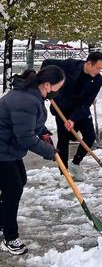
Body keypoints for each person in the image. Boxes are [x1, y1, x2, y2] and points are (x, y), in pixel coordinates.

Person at [0, 66, 65, 255]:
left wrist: (43, 131)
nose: (57, 92)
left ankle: (2, 222)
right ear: (47, 85)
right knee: (13, 188)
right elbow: (25, 137)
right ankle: (10, 238)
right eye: (58, 87)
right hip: (3, 149)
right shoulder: (27, 100)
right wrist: (50, 152)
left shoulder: (31, 95)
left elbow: (28, 122)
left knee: (19, 181)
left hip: (8, 148)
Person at [41, 52, 102, 181]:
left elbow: (87, 102)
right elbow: (47, 63)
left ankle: (75, 164)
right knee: (63, 140)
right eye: (97, 68)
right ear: (88, 63)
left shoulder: (98, 80)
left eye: (101, 69)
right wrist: (44, 82)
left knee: (90, 136)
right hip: (62, 108)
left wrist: (73, 119)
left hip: (80, 109)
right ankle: (63, 173)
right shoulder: (70, 65)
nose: (99, 71)